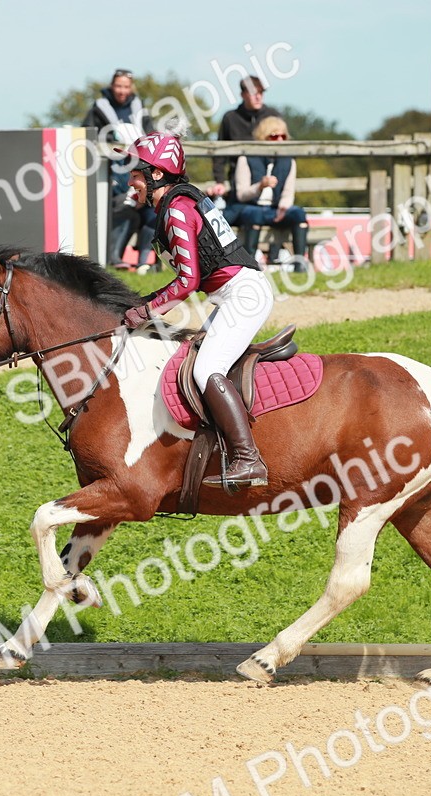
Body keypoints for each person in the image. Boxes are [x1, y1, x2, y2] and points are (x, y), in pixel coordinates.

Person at [117, 130, 273, 488]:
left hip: (243, 295)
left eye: (136, 175)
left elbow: (188, 281)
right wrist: (147, 303)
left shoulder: (176, 210)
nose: (131, 183)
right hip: (234, 294)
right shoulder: (175, 205)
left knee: (206, 369)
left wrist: (146, 310)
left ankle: (249, 460)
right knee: (193, 358)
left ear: (157, 174)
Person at [83, 69, 157, 269]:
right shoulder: (98, 108)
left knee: (138, 213)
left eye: (126, 86)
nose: (122, 91)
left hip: (136, 171)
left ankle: (143, 263)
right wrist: (112, 141)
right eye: (118, 86)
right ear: (112, 86)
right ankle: (113, 258)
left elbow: (152, 138)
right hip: (110, 173)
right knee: (122, 207)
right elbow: (87, 138)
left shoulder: (140, 108)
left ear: (131, 88)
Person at [223, 116, 309, 271]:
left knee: (299, 214)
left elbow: (288, 193)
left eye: (283, 136)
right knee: (254, 214)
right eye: (275, 136)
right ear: (264, 137)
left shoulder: (289, 161)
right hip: (249, 207)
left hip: (275, 209)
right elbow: (241, 194)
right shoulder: (246, 158)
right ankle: (250, 267)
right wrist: (260, 186)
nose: (280, 140)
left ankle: (300, 265)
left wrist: (284, 207)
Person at [208, 76, 281, 198]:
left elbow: (284, 148)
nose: (258, 97)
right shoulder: (230, 118)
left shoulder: (273, 117)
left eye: (261, 93)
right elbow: (219, 153)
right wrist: (220, 181)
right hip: (237, 182)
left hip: (270, 182)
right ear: (243, 95)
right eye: (253, 93)